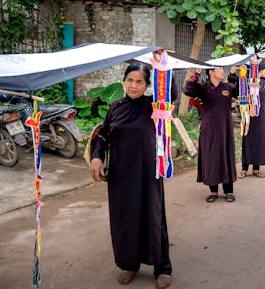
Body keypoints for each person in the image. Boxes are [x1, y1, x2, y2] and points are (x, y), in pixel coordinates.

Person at [90, 61, 176, 289]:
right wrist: (96, 157)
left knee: (154, 218)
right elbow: (103, 135)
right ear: (124, 81)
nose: (134, 85)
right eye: (130, 80)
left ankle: (162, 267)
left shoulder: (153, 105)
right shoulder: (115, 107)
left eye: (139, 81)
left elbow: (171, 90)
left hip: (148, 173)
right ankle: (130, 264)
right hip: (121, 176)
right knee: (124, 220)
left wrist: (161, 64)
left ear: (147, 84)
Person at [183, 66, 238, 203]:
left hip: (225, 128)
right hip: (209, 129)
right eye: (219, 69)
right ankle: (213, 190)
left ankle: (228, 190)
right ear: (211, 72)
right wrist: (196, 73)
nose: (222, 71)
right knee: (211, 156)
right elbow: (187, 89)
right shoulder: (204, 88)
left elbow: (242, 91)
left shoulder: (227, 87)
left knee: (226, 155)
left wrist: (237, 75)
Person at [239, 62, 265, 178]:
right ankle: (244, 168)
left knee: (260, 140)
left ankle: (256, 168)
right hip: (250, 116)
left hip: (262, 116)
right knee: (248, 139)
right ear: (259, 70)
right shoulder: (249, 82)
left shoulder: (263, 82)